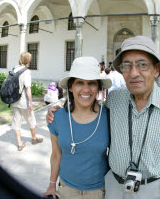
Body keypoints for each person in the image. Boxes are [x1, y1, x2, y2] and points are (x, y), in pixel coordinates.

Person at [47, 36, 160, 199]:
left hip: (154, 189)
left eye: (142, 65)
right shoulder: (115, 99)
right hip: (114, 188)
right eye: (127, 66)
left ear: (156, 69)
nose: (133, 73)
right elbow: (86, 102)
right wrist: (59, 106)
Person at [43, 56, 112, 199]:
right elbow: (56, 155)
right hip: (65, 189)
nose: (86, 89)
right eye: (79, 82)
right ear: (71, 86)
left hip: (100, 190)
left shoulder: (109, 117)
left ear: (98, 87)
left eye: (92, 83)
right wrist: (51, 185)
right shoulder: (57, 117)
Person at [12, 52, 43, 151]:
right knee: (31, 119)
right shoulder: (26, 71)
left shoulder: (15, 69)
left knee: (16, 122)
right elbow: (28, 88)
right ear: (28, 60)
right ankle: (34, 138)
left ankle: (20, 143)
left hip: (14, 100)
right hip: (23, 101)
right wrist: (31, 102)